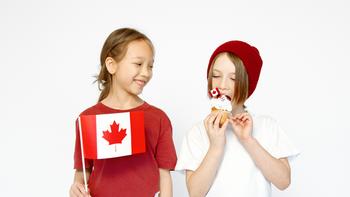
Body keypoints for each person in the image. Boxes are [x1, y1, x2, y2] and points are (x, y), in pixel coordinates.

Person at [175, 40, 300, 197]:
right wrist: (216, 146)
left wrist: (248, 140)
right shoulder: (197, 132)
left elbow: (283, 181)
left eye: (233, 78)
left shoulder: (267, 126)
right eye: (216, 76)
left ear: (247, 84)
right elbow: (195, 192)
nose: (222, 85)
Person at [69, 28, 177, 197]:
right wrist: (76, 188)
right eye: (138, 64)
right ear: (112, 65)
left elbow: (165, 175)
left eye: (150, 66)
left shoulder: (158, 119)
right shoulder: (87, 119)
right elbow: (83, 172)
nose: (146, 73)